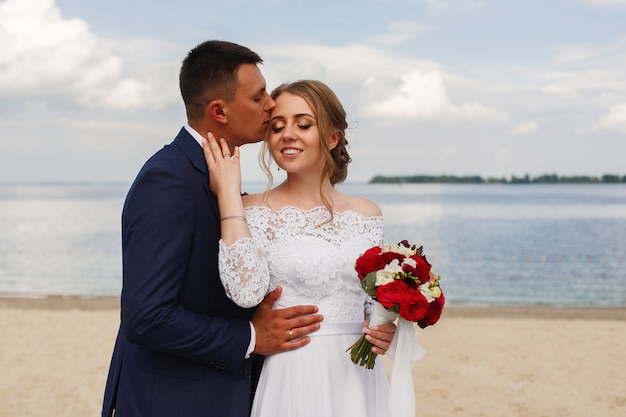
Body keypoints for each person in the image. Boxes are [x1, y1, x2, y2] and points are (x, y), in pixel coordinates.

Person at [101, 40, 327, 417]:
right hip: (173, 402)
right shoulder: (168, 180)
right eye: (258, 98)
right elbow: (146, 317)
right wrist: (253, 337)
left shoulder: (216, 172)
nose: (272, 104)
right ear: (219, 110)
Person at [203, 79, 393, 417]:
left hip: (357, 377)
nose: (287, 134)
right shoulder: (251, 211)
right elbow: (245, 292)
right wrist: (228, 194)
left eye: (303, 124)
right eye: (277, 126)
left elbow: (372, 309)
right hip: (291, 373)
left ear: (333, 137)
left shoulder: (367, 214)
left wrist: (386, 332)